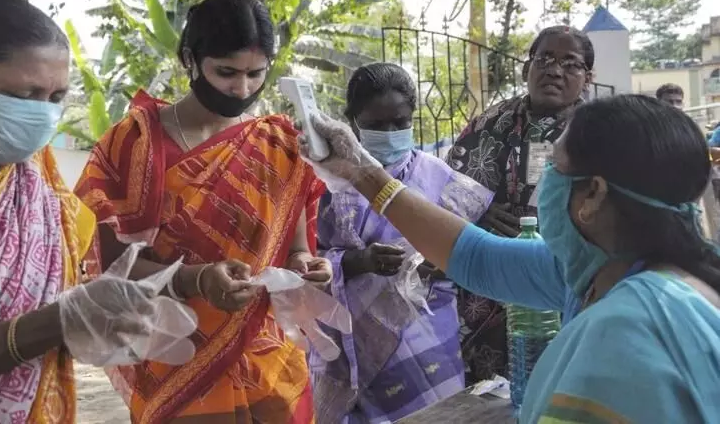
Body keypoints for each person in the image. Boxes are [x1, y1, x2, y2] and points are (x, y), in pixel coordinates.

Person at [301, 94, 720, 422]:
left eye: (555, 168)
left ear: (593, 194)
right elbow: (476, 257)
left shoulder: (623, 330)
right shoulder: (603, 269)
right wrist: (361, 171)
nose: (545, 184)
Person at [0, 0, 173, 422]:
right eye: (25, 94)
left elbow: (61, 292)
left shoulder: (39, 180)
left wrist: (93, 317)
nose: (43, 115)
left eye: (56, 96)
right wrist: (56, 322)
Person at [74, 0, 332, 424]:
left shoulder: (280, 144)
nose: (243, 89)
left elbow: (295, 250)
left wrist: (306, 266)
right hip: (175, 359)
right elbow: (107, 267)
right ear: (191, 60)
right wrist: (196, 279)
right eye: (227, 72)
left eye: (256, 74)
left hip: (265, 360)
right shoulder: (133, 144)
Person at [311, 63, 494, 423]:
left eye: (401, 123)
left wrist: (441, 260)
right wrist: (359, 261)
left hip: (427, 339)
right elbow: (304, 258)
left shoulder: (437, 175)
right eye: (378, 126)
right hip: (351, 345)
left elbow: (469, 251)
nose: (391, 133)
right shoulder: (327, 183)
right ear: (353, 121)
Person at [445, 25, 594, 383]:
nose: (554, 70)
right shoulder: (489, 123)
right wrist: (479, 214)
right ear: (527, 67)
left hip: (562, 278)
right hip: (488, 282)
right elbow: (447, 194)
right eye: (544, 59)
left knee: (560, 383)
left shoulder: (599, 132)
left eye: (569, 63)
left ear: (587, 77)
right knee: (487, 391)